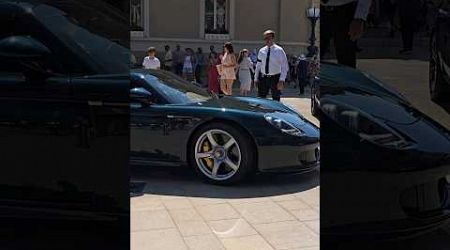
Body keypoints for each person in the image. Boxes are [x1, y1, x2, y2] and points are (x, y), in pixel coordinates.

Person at [320, 0, 372, 68]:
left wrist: (360, 17)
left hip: (345, 11)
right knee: (309, 56)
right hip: (316, 8)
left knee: (346, 61)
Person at [254, 30, 289, 102]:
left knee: (276, 99)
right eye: (265, 38)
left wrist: (282, 80)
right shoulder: (262, 51)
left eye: (268, 38)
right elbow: (258, 66)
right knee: (260, 99)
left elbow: (284, 66)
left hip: (275, 78)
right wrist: (256, 79)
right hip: (263, 78)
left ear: (273, 38)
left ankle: (275, 113)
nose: (266, 40)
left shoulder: (279, 50)